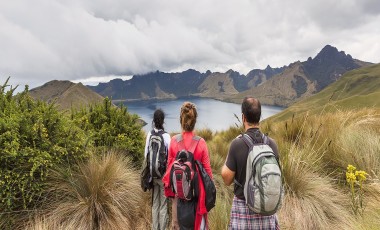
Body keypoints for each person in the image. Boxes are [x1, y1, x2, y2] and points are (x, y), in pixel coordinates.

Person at [221, 96, 280, 230]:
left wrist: (228, 156)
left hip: (243, 210)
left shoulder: (237, 144)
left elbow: (226, 179)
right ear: (259, 117)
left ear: (243, 117)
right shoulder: (272, 144)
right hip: (267, 209)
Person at [162, 102, 213, 230]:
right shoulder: (201, 143)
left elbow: (168, 178)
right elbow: (209, 177)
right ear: (195, 121)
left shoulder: (174, 142)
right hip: (197, 203)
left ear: (181, 120)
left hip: (178, 203)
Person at [144, 109, 171, 230]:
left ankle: (155, 228)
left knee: (154, 203)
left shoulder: (149, 134)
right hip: (163, 176)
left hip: (152, 175)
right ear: (163, 120)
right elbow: (170, 157)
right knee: (163, 205)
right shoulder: (166, 136)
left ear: (153, 120)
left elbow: (146, 155)